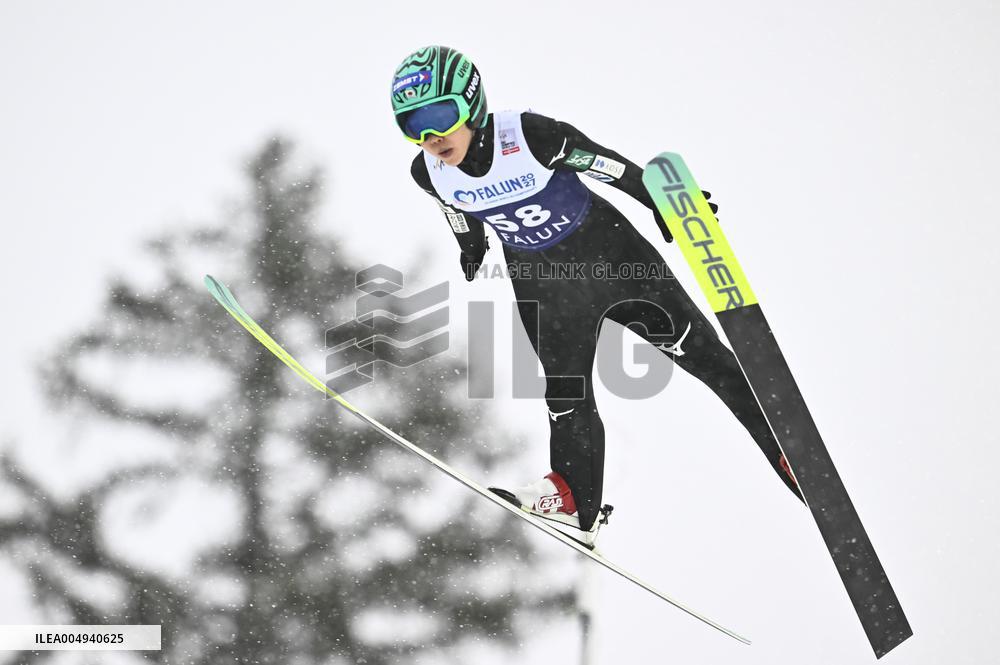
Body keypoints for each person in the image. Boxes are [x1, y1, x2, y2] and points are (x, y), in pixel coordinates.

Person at [391, 45, 802, 548]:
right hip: (542, 282)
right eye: (413, 125)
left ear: (472, 103)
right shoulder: (426, 172)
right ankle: (575, 496)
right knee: (565, 394)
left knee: (708, 361)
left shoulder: (531, 135)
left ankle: (788, 453)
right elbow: (454, 209)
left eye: (440, 116)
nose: (431, 138)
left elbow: (610, 167)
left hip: (613, 262)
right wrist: (470, 245)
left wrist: (662, 203)